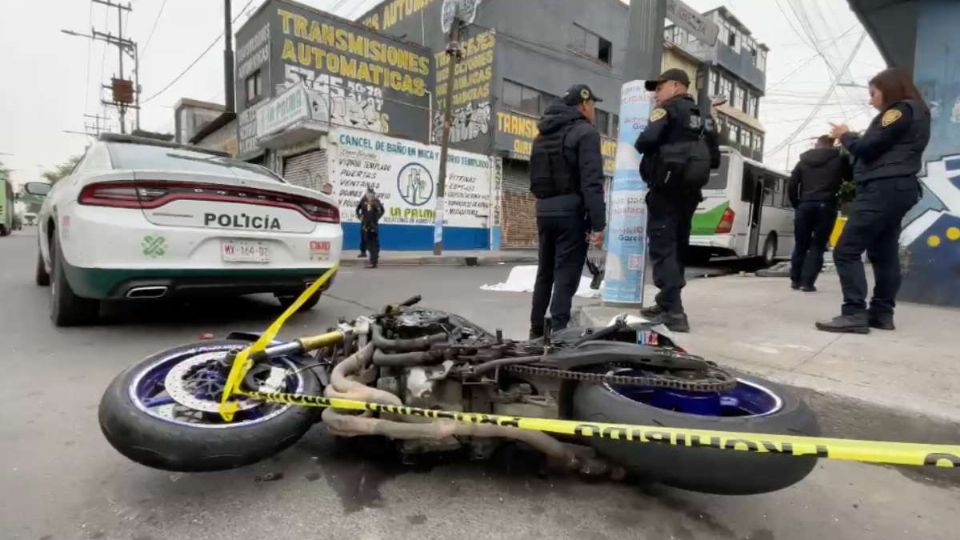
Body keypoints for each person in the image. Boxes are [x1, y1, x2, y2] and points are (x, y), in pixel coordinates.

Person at [817, 67, 930, 333]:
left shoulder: (898, 111)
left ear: (888, 89)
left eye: (873, 93)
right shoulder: (917, 112)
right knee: (883, 252)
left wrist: (845, 134)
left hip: (883, 188)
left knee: (846, 250)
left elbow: (866, 148)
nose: (871, 100)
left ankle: (854, 313)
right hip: (898, 188)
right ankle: (881, 313)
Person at [634, 68, 720, 333]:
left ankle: (673, 311)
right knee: (678, 247)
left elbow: (644, 141)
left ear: (675, 86)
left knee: (663, 247)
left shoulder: (668, 110)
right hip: (690, 193)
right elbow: (715, 159)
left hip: (665, 190)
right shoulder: (705, 118)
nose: (656, 95)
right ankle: (665, 301)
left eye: (658, 89)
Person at [528, 84, 607, 339]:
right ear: (584, 105)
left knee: (545, 272)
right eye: (593, 105)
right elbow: (592, 182)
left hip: (544, 210)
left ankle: (536, 329)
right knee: (566, 274)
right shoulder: (586, 133)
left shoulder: (541, 136)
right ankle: (558, 333)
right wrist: (599, 224)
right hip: (571, 213)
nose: (594, 109)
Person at [788, 135, 852, 292]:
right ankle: (808, 283)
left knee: (801, 244)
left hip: (805, 205)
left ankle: (796, 280)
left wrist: (797, 203)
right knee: (817, 245)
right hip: (826, 205)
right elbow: (850, 176)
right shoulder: (839, 160)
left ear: (817, 144)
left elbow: (792, 184)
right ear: (833, 144)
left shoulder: (803, 161)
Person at [357, 187, 384, 269]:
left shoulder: (375, 202)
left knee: (373, 245)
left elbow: (381, 211)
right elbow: (358, 210)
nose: (369, 195)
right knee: (369, 243)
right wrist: (360, 217)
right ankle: (372, 260)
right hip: (366, 224)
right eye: (368, 193)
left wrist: (375, 219)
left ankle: (373, 262)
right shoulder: (364, 201)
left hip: (372, 226)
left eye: (371, 194)